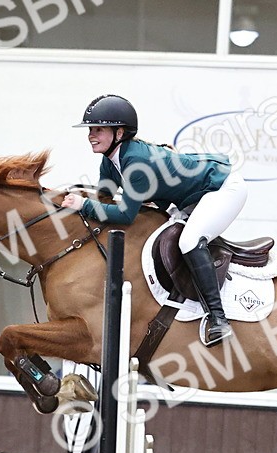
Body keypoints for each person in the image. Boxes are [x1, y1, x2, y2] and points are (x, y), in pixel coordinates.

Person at [60, 94, 245, 346]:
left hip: (221, 188)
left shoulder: (136, 162)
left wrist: (83, 204)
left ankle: (218, 318)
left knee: (189, 241)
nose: (91, 135)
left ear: (119, 133)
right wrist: (79, 201)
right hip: (192, 196)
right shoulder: (110, 162)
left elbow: (125, 215)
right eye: (91, 129)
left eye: (98, 129)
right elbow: (105, 200)